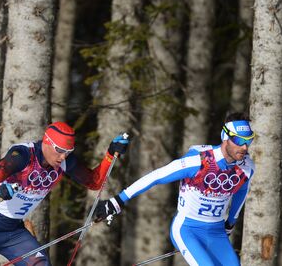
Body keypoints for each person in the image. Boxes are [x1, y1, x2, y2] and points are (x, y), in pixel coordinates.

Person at [0, 122, 129, 266]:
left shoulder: (64, 163)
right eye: (60, 150)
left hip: (13, 232)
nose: (63, 157)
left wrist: (110, 154)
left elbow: (94, 182)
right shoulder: (23, 155)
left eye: (68, 152)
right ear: (47, 142)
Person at [94, 113, 255, 266]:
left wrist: (230, 223)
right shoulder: (198, 162)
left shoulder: (246, 167)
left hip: (216, 232)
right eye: (238, 141)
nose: (244, 147)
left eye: (248, 141)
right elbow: (156, 176)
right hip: (187, 229)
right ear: (225, 137)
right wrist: (117, 200)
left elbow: (241, 192)